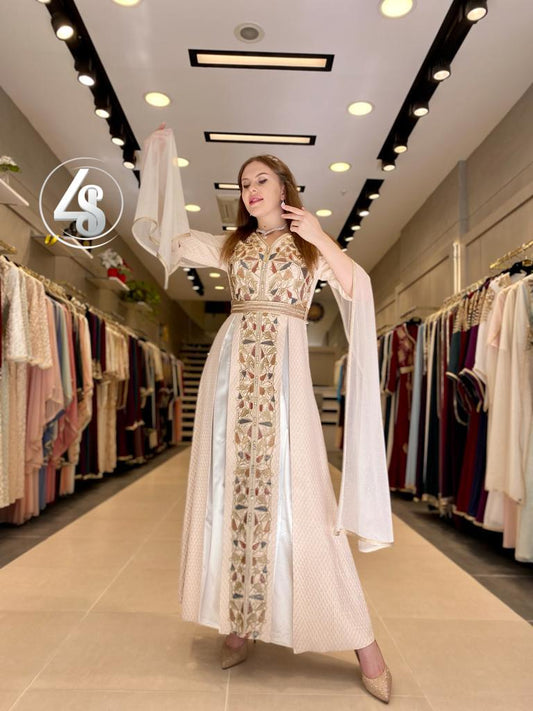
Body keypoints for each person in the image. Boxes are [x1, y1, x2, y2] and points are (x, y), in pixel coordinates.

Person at [132, 128, 394, 704]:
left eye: (261, 180)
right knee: (230, 495)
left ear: (284, 188)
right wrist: (158, 162)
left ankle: (364, 643)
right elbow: (166, 237)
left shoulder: (310, 247)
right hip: (231, 380)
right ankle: (239, 623)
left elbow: (358, 288)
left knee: (306, 502)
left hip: (285, 382)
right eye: (243, 183)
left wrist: (321, 236)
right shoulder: (230, 246)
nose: (250, 190)